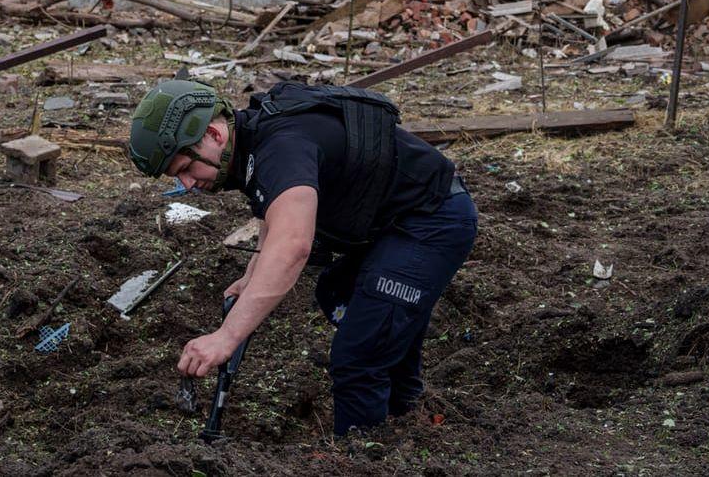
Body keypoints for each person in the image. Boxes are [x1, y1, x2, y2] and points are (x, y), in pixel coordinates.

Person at [128, 79, 478, 434]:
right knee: (339, 295)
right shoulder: (252, 139)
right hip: (391, 224)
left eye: (185, 169)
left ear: (215, 135)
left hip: (431, 221)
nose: (187, 184)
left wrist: (226, 337)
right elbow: (274, 207)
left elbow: (293, 246)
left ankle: (365, 451)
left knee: (357, 360)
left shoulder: (282, 147)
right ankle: (405, 411)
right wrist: (252, 275)